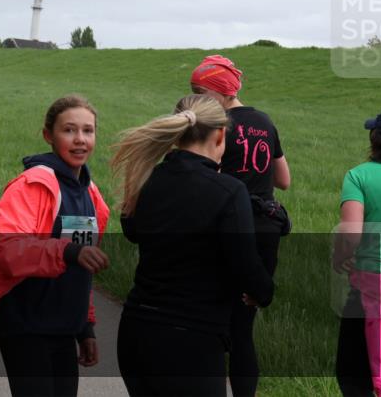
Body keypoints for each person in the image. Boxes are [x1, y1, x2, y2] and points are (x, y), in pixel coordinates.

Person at [0, 95, 111, 397]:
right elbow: (9, 252)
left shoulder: (92, 195)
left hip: (66, 327)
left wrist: (86, 328)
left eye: (88, 131)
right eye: (69, 130)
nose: (80, 140)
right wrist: (69, 250)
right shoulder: (32, 186)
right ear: (49, 135)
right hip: (27, 323)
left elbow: (81, 274)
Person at [112, 94, 274, 397]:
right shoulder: (229, 190)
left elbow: (132, 230)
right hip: (191, 342)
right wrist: (263, 291)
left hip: (135, 333)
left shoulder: (147, 178)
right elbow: (245, 266)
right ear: (220, 134)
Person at [189, 54, 291, 396]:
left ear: (222, 92)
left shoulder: (217, 127)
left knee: (217, 327)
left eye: (200, 92)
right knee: (243, 330)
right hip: (266, 231)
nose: (196, 100)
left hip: (228, 229)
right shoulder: (265, 120)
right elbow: (284, 180)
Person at [333, 106, 381, 397]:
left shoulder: (359, 176)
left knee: (353, 371)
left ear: (377, 139)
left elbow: (351, 232)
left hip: (373, 286)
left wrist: (340, 256)